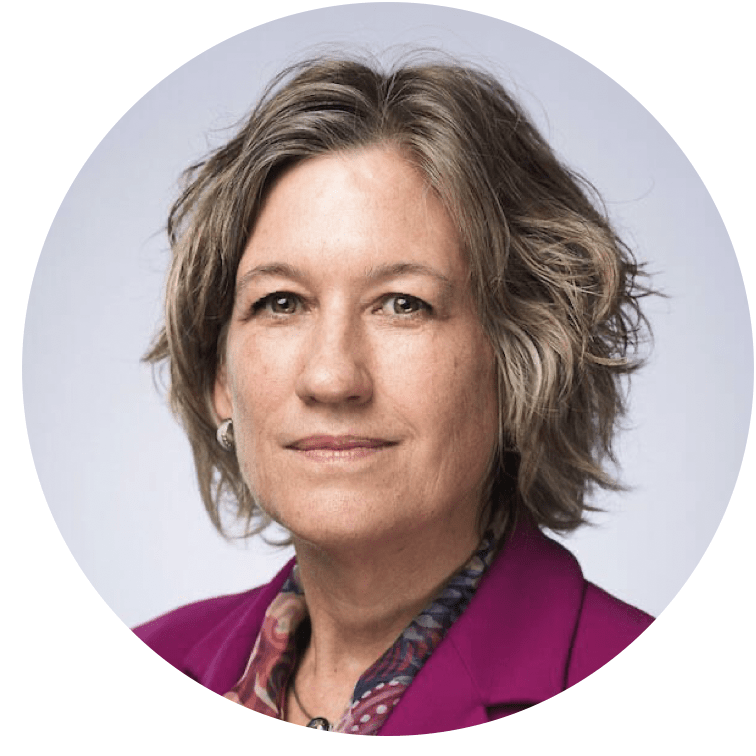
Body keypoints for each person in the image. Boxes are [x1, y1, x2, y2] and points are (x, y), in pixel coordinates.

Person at [134, 54, 654, 735]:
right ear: (221, 378)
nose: (331, 378)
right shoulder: (140, 673)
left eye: (402, 304)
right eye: (281, 302)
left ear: (523, 356)